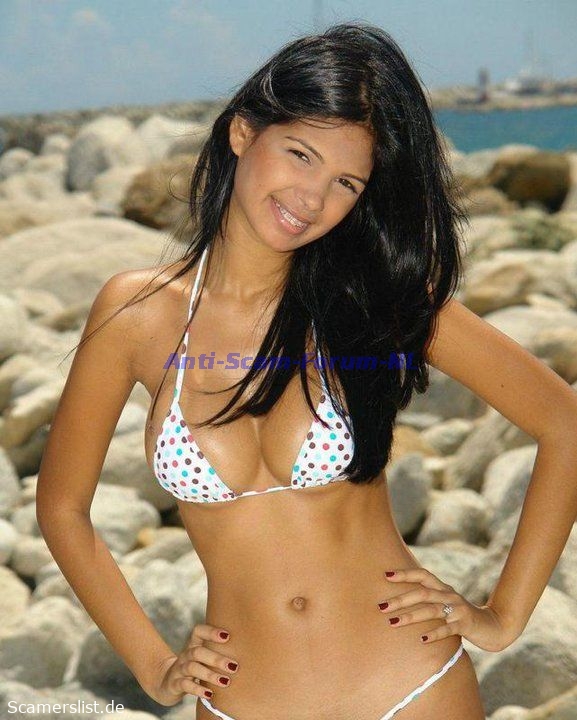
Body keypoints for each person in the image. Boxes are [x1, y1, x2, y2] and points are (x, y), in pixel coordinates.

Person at [36, 22, 577, 720]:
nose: (312, 198)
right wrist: (153, 665)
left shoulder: (376, 299)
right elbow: (62, 508)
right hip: (242, 702)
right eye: (300, 154)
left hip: (409, 688)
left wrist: (501, 616)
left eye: (346, 182)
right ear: (242, 132)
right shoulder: (135, 314)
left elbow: (563, 421)